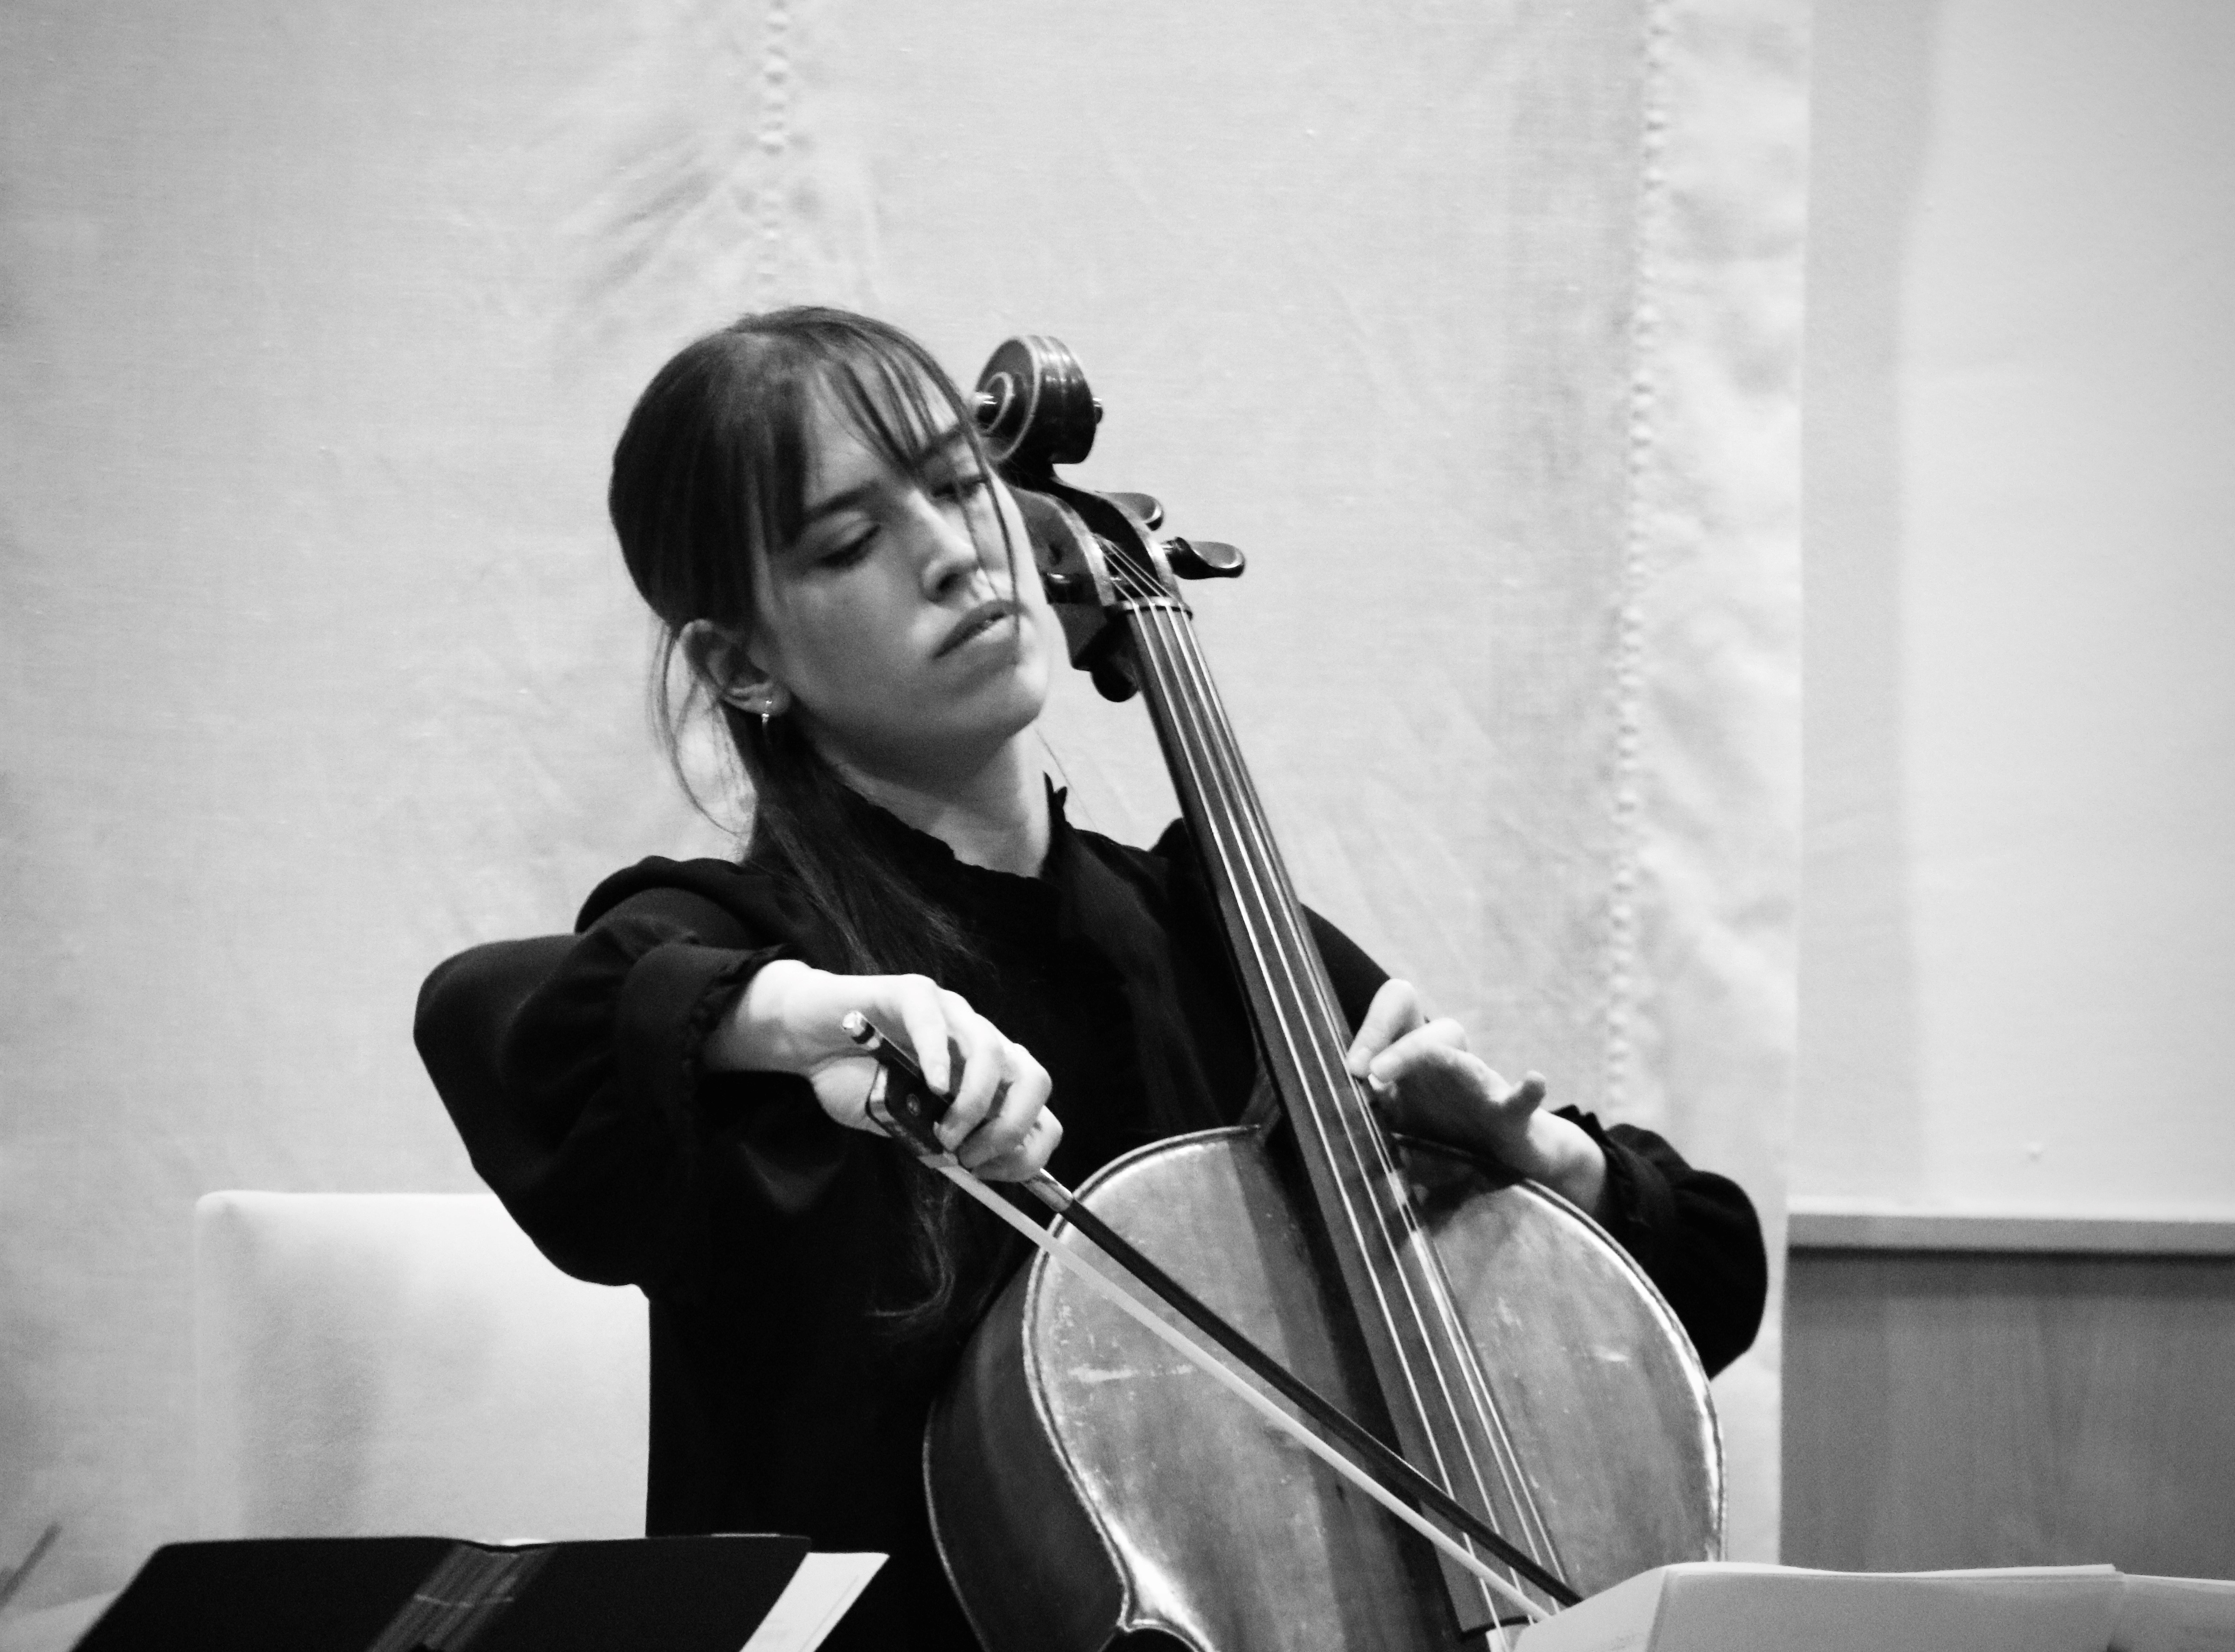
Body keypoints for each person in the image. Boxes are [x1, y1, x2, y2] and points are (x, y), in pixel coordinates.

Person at [414, 306, 1767, 1652]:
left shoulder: (1210, 933)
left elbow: (1706, 1275)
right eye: (849, 542)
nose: (956, 551)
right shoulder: (752, 967)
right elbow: (494, 1015)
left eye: (959, 485)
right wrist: (798, 1015)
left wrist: (1542, 1169)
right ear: (742, 664)